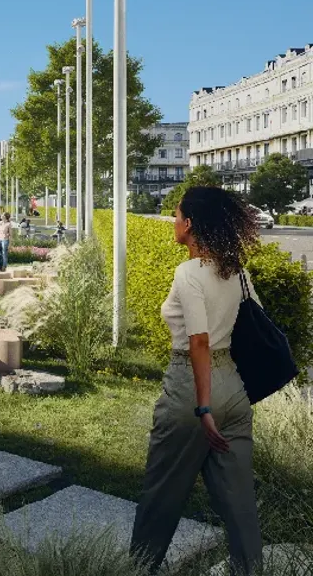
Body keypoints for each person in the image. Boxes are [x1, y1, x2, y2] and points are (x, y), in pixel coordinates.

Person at [131, 186, 262, 575]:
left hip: (192, 387)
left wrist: (203, 407)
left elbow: (199, 340)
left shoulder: (188, 273)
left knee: (162, 493)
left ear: (189, 225)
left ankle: (139, 569)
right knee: (240, 502)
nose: (173, 223)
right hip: (233, 390)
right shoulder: (237, 271)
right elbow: (253, 324)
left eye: (175, 216)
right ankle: (250, 571)